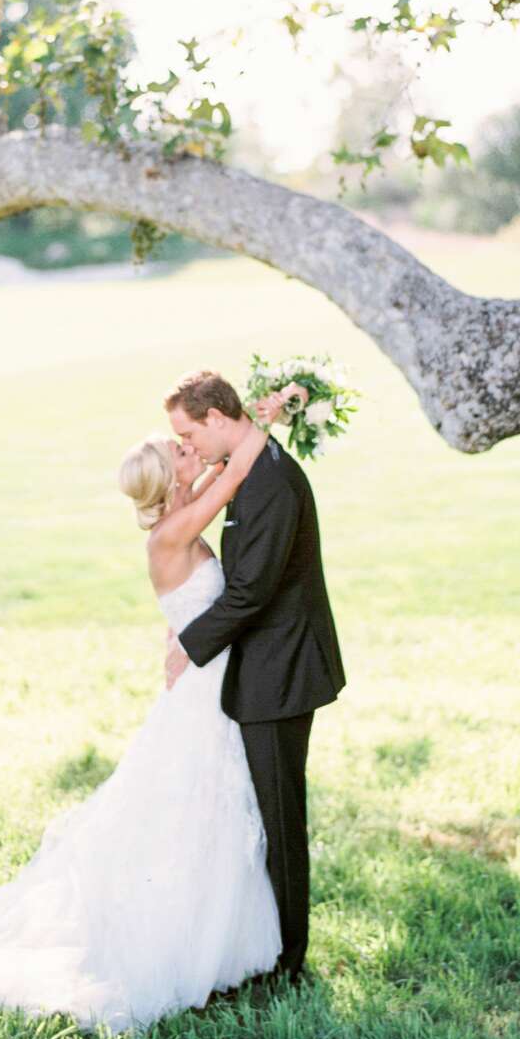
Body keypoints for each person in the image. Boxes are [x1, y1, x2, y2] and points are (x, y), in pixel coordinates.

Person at [0, 424, 280, 1033]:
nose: (187, 450)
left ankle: (214, 941)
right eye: (179, 451)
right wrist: (267, 416)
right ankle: (181, 943)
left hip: (207, 680)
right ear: (170, 478)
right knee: (195, 807)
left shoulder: (177, 513)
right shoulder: (173, 531)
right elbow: (235, 473)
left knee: (206, 808)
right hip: (201, 691)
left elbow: (200, 503)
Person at [163, 369, 345, 984]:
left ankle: (290, 965)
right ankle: (268, 946)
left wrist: (187, 646)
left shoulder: (268, 482)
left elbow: (251, 591)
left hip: (282, 671)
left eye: (189, 432)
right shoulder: (253, 464)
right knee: (266, 817)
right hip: (267, 667)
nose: (190, 447)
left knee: (281, 820)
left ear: (216, 416)